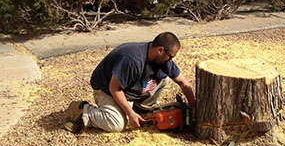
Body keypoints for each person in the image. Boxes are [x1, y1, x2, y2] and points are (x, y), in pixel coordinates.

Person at [63, 32, 195, 133]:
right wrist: (130, 114)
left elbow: (184, 83)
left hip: (130, 89)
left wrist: (193, 106)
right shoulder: (132, 59)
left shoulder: (163, 60)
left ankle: (140, 107)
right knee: (117, 124)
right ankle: (83, 111)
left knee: (164, 77)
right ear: (160, 50)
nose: (171, 61)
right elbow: (114, 88)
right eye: (170, 56)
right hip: (107, 90)